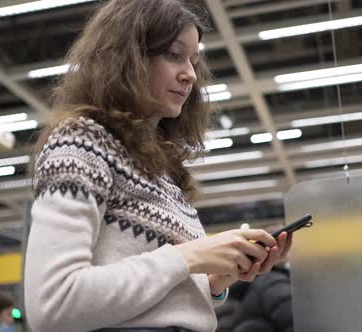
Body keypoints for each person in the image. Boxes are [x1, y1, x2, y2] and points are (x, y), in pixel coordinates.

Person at [23, 1, 293, 332]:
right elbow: (53, 303)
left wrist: (215, 281)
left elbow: (157, 298)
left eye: (194, 61)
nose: (191, 74)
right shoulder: (80, 142)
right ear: (128, 57)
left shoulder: (164, 171)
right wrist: (189, 257)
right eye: (174, 55)